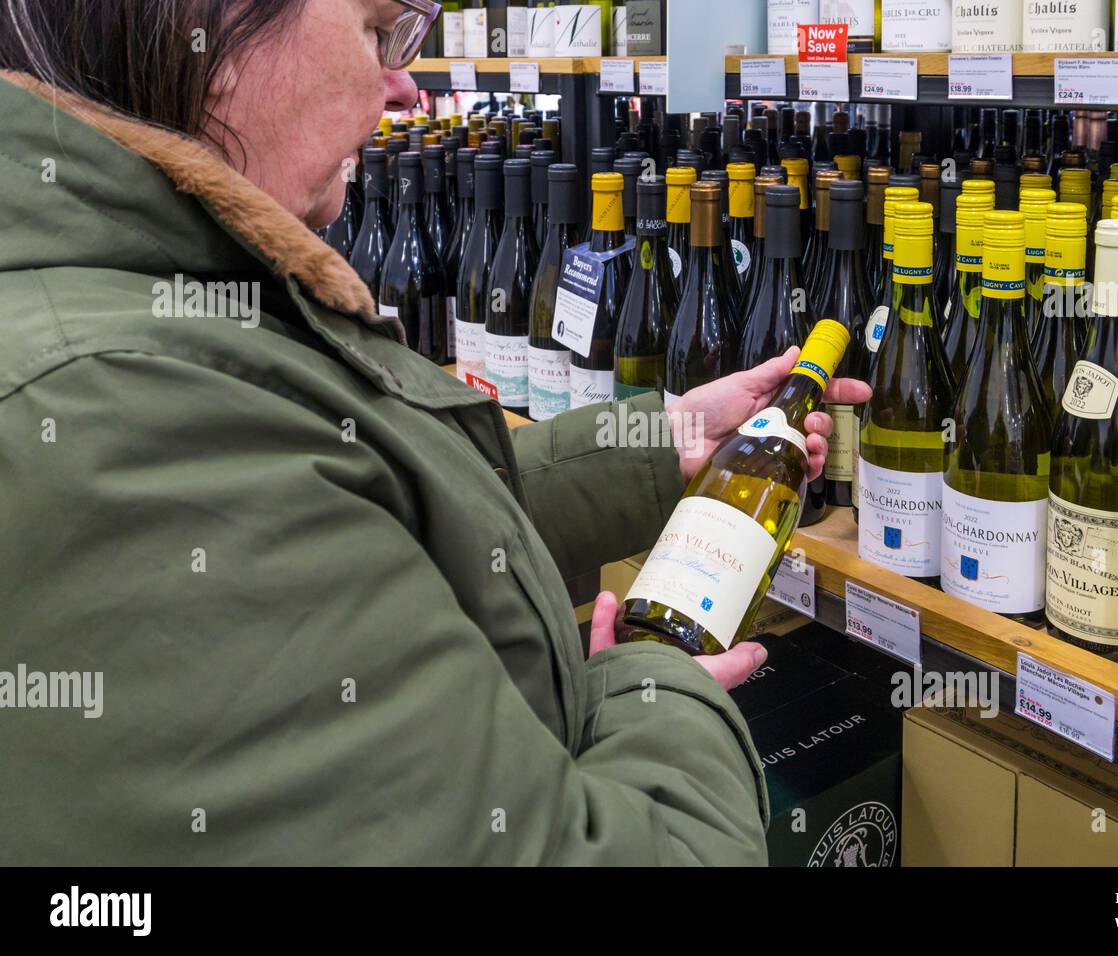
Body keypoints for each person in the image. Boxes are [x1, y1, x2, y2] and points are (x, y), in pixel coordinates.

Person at [0, 0, 869, 864]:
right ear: (215, 28)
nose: (405, 85)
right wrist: (651, 694)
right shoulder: (131, 423)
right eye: (378, 30)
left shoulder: (148, 304)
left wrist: (664, 441)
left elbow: (363, 492)